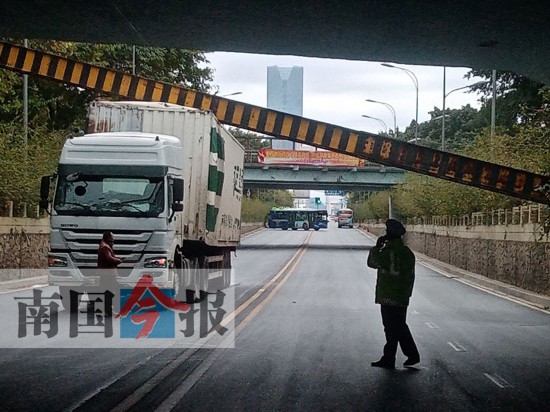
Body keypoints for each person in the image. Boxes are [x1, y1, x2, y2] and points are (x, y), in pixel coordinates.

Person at [367, 219, 420, 369]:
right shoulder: (407, 253)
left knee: (390, 326)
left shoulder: (387, 253)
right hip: (402, 295)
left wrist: (377, 247)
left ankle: (390, 357)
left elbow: (371, 262)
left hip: (388, 294)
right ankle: (411, 354)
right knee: (399, 325)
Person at [97, 231, 123, 314]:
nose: (113, 239)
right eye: (112, 237)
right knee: (109, 292)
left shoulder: (104, 245)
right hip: (108, 274)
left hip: (106, 273)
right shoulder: (105, 247)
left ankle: (107, 310)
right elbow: (109, 258)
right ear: (108, 238)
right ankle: (108, 311)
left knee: (108, 292)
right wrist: (119, 260)